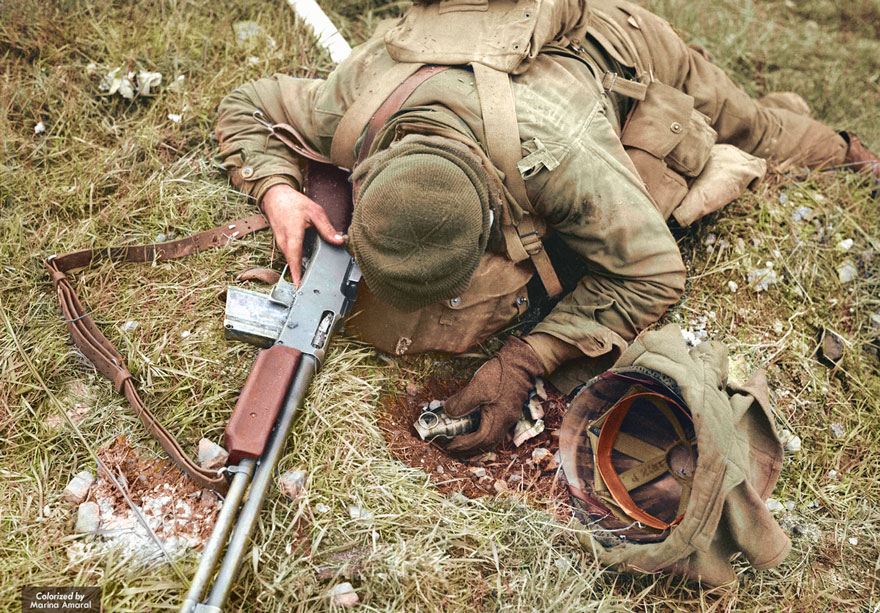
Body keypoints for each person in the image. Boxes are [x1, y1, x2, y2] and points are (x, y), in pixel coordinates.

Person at [215, 0, 879, 457]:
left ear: (496, 218)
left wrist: (524, 359)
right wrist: (278, 192)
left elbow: (653, 271)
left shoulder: (562, 159)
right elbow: (246, 102)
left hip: (623, 43)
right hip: (481, 52)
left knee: (758, 127)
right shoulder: (353, 99)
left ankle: (853, 152)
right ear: (366, 165)